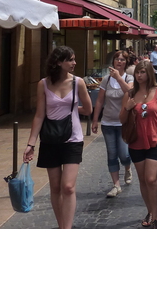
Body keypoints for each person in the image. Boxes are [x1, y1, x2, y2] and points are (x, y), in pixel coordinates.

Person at [23, 46, 92, 229]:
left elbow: (88, 109)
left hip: (73, 138)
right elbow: (39, 114)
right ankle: (62, 226)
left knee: (68, 186)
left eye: (74, 59)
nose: (74, 63)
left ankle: (67, 229)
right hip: (50, 139)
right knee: (55, 187)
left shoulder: (78, 83)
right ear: (58, 62)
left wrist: (69, 110)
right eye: (70, 59)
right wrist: (31, 143)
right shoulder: (43, 84)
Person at [119, 60, 157, 229]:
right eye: (137, 72)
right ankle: (150, 211)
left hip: (155, 141)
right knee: (143, 180)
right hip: (136, 142)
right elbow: (121, 120)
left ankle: (156, 215)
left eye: (142, 72)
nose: (139, 75)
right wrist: (127, 108)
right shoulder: (129, 94)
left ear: (149, 73)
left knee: (151, 179)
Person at [91, 50, 134, 197]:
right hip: (108, 122)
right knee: (112, 154)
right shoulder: (106, 80)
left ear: (126, 63)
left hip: (123, 123)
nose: (119, 61)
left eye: (122, 59)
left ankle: (127, 168)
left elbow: (129, 91)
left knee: (124, 154)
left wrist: (119, 78)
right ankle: (116, 185)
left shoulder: (129, 78)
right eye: (117, 59)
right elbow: (100, 100)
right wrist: (95, 119)